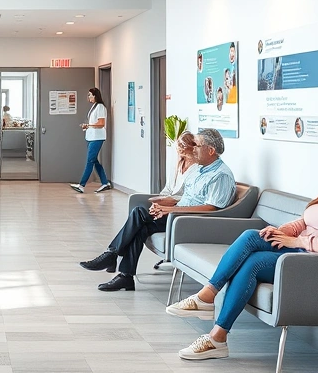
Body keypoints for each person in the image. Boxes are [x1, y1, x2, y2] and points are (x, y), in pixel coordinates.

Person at [166, 142, 318, 362]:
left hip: (317, 264)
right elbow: (305, 221)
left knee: (254, 262)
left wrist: (296, 240)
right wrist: (281, 231)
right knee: (252, 236)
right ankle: (209, 301)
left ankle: (216, 333)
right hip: (301, 250)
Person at [79, 128, 236, 292]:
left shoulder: (220, 175)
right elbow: (186, 197)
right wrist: (165, 207)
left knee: (139, 213)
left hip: (190, 222)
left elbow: (211, 208)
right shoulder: (200, 170)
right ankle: (125, 276)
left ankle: (111, 255)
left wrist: (170, 210)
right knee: (141, 225)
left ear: (210, 150)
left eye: (196, 145)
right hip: (179, 215)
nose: (193, 148)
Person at [69, 88, 110, 194]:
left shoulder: (100, 107)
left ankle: (81, 185)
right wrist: (87, 126)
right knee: (94, 160)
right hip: (91, 137)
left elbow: (101, 123)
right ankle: (105, 183)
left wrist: (89, 125)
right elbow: (93, 122)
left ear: (95, 95)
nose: (88, 97)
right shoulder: (94, 106)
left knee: (90, 161)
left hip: (97, 137)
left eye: (90, 95)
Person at [159, 131, 197, 198]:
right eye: (179, 144)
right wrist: (159, 201)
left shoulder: (198, 168)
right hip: (167, 202)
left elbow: (191, 197)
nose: (180, 147)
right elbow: (168, 189)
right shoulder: (177, 165)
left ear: (193, 147)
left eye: (183, 144)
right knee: (138, 208)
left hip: (181, 204)